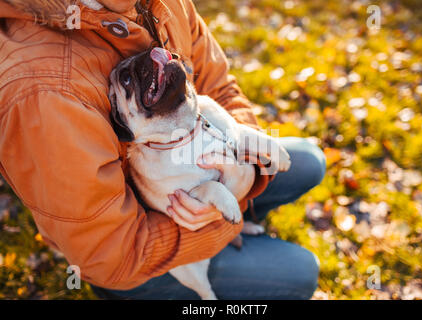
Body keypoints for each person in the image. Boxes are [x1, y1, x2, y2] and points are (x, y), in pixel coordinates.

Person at [0, 0, 325, 299]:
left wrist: (247, 171)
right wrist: (224, 217)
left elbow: (219, 86)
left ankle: (247, 239)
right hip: (139, 259)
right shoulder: (42, 93)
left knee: (308, 161)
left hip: (209, 178)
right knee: (301, 272)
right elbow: (113, 256)